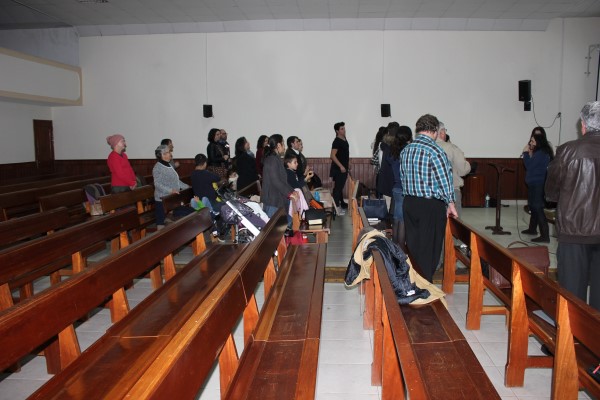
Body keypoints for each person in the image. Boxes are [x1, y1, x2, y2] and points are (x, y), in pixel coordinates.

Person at [545, 101, 600, 311]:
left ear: (583, 125)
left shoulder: (568, 151)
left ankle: (573, 331)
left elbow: (551, 192)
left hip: (575, 229)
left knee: (572, 297)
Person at [400, 114, 457, 282]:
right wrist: (451, 203)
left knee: (413, 245)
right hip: (429, 205)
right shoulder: (435, 151)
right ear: (434, 131)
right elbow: (444, 180)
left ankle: (414, 280)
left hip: (409, 202)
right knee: (430, 247)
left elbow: (403, 177)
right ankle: (425, 285)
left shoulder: (406, 150)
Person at [521, 126, 553, 243]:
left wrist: (525, 153)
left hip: (538, 184)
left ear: (538, 141)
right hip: (534, 183)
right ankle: (532, 229)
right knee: (533, 206)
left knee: (537, 207)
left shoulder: (541, 152)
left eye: (533, 141)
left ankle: (545, 236)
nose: (531, 143)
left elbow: (529, 165)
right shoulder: (539, 152)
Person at [261, 134, 299, 224]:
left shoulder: (276, 158)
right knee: (275, 230)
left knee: (285, 226)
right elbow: (276, 181)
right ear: (278, 145)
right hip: (272, 202)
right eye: (283, 144)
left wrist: (292, 191)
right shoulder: (272, 160)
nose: (284, 147)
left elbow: (283, 181)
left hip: (277, 200)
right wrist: (290, 194)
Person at [385, 125, 412, 250]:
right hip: (404, 188)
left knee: (396, 219)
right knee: (402, 220)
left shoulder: (393, 149)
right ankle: (400, 251)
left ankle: (394, 248)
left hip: (396, 187)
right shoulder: (408, 150)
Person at [436, 122, 471, 216]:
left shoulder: (426, 147)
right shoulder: (451, 148)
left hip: (430, 194)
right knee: (453, 222)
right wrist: (467, 163)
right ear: (442, 133)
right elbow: (463, 170)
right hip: (452, 190)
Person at [152, 144, 190, 228]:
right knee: (160, 222)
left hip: (171, 197)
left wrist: (187, 187)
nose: (171, 154)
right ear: (163, 155)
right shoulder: (157, 167)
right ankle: (160, 235)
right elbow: (157, 184)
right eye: (169, 152)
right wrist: (170, 190)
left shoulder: (168, 165)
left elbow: (176, 181)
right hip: (162, 199)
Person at [330, 121, 350, 213]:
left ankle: (341, 203)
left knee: (340, 187)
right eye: (342, 129)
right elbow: (332, 155)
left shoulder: (344, 139)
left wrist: (348, 162)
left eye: (344, 128)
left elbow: (344, 153)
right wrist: (341, 166)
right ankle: (336, 208)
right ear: (337, 131)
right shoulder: (337, 141)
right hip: (338, 169)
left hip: (344, 167)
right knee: (338, 188)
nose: (344, 130)